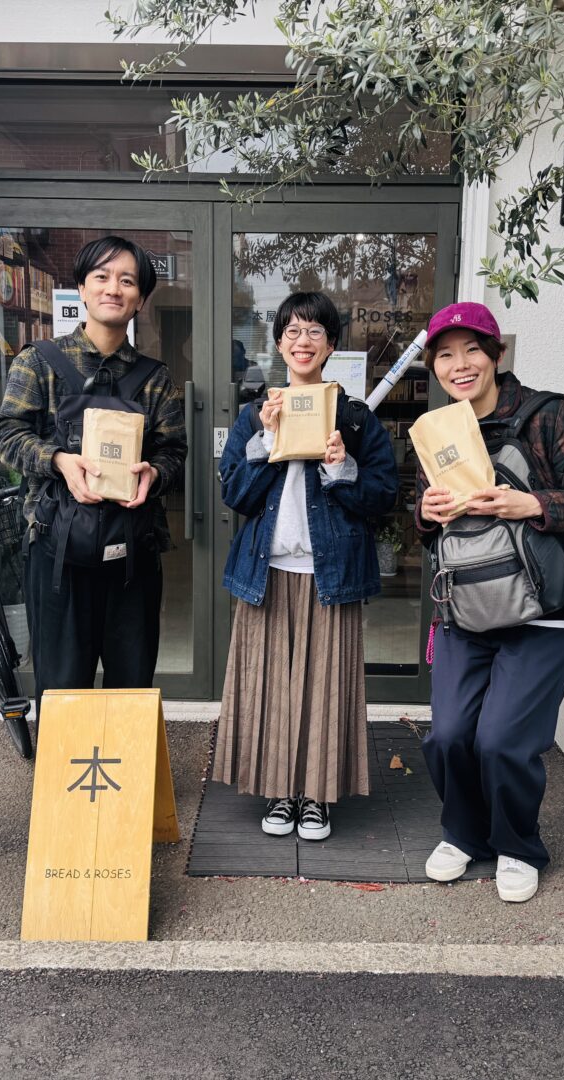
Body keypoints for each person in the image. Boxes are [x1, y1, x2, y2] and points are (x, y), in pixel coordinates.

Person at [414, 301, 564, 902]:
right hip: (466, 606)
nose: (460, 365)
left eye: (472, 350)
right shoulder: (437, 431)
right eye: (445, 355)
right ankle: (464, 834)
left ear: (496, 354)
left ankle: (516, 844)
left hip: (545, 608)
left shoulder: (548, 414)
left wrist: (532, 504)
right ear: (434, 366)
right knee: (448, 734)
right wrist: (426, 513)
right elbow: (430, 527)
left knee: (503, 740)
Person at [214, 292, 398, 840]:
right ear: (278, 344)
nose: (303, 341)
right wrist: (267, 439)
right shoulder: (255, 414)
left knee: (325, 689)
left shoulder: (355, 419)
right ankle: (279, 791)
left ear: (331, 345)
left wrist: (343, 468)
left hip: (330, 574)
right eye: (292, 331)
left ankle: (315, 796)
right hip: (267, 572)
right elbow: (235, 495)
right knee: (270, 685)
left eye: (315, 331)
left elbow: (383, 496)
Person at [0, 236, 187, 714]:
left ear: (140, 299)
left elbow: (174, 451)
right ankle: (65, 767)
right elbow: (6, 434)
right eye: (102, 277)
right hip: (56, 552)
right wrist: (59, 460)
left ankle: (125, 767)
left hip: (133, 553)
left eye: (127, 281)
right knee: (61, 692)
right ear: (82, 288)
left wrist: (153, 474)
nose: (113, 289)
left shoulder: (155, 377)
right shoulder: (39, 361)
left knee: (131, 689)